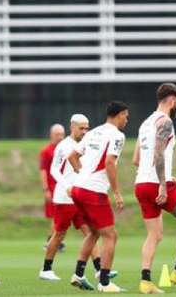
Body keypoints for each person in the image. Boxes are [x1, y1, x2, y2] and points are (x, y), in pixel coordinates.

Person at [133, 82, 176, 294]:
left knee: (155, 235)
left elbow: (136, 159)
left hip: (141, 184)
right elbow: (159, 155)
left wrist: (166, 177)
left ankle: (146, 282)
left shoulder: (145, 123)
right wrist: (163, 184)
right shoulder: (165, 122)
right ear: (172, 99)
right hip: (157, 184)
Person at [40, 114, 115, 283]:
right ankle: (46, 269)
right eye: (81, 128)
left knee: (90, 232)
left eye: (87, 127)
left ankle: (98, 269)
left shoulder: (86, 145)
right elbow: (54, 170)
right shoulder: (63, 146)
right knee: (59, 234)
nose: (85, 131)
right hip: (64, 198)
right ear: (72, 127)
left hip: (80, 196)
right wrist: (66, 186)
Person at [67, 101, 129, 293]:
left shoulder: (93, 132)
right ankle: (104, 282)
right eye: (126, 116)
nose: (127, 120)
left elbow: (72, 156)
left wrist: (82, 175)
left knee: (94, 233)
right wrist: (117, 192)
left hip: (78, 188)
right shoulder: (118, 135)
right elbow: (110, 162)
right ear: (119, 115)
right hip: (93, 191)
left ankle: (78, 274)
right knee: (110, 235)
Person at [40, 124, 65, 249]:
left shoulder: (66, 149)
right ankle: (52, 241)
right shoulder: (46, 151)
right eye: (57, 134)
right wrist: (45, 189)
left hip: (64, 187)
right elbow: (43, 170)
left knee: (61, 216)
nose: (60, 137)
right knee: (55, 216)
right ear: (51, 135)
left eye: (62, 134)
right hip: (52, 188)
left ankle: (55, 240)